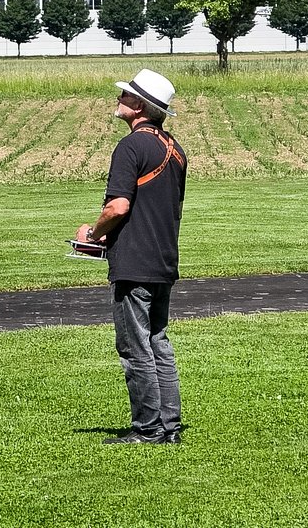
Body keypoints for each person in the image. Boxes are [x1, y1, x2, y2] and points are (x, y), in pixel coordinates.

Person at [76, 68, 188, 445]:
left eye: (125, 96)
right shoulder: (175, 150)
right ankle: (169, 426)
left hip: (133, 261)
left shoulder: (130, 147)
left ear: (139, 105)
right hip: (163, 260)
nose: (119, 100)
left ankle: (147, 428)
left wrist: (92, 234)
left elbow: (119, 207)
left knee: (134, 347)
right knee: (159, 343)